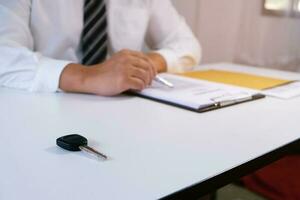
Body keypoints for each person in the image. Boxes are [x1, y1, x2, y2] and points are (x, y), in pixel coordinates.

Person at [0, 0, 201, 96]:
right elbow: (4, 54)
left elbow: (187, 45)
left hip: (122, 113)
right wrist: (89, 76)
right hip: (41, 109)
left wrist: (140, 66)